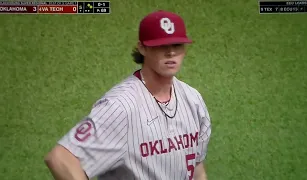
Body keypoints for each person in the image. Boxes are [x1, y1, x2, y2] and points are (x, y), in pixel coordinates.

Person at [44, 10, 212, 180]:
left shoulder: (193, 99)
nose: (171, 52)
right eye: (161, 45)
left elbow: (197, 167)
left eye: (177, 45)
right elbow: (60, 158)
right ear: (142, 48)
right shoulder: (120, 106)